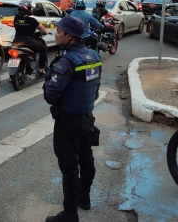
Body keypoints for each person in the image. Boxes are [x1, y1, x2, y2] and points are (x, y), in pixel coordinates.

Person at [44, 15, 102, 222]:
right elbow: (95, 89)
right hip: (86, 120)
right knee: (86, 159)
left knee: (70, 169)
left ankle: (69, 215)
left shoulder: (67, 62)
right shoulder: (94, 55)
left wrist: (48, 77)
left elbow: (50, 96)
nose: (56, 34)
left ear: (69, 36)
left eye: (58, 32)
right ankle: (84, 199)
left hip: (67, 124)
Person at [12, 0, 50, 74]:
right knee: (43, 49)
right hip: (28, 42)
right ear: (27, 9)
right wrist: (46, 32)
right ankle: (42, 68)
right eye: (30, 8)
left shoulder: (16, 18)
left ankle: (12, 76)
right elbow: (42, 28)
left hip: (16, 41)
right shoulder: (32, 20)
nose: (31, 10)